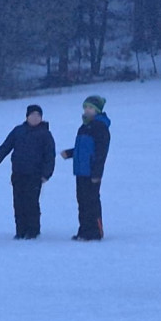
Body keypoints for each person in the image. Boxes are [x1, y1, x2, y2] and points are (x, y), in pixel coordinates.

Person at [0, 104, 56, 239]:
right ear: (27, 117)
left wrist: (46, 174)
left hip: (35, 175)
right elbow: (6, 146)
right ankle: (20, 230)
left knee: (31, 203)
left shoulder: (45, 134)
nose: (35, 118)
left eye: (38, 115)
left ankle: (33, 231)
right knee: (18, 203)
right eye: (32, 115)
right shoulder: (18, 131)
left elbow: (50, 156)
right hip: (18, 173)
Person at [60, 95, 112, 242]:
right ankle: (84, 231)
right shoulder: (83, 127)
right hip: (80, 171)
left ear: (97, 110)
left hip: (92, 172)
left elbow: (101, 152)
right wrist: (70, 153)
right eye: (85, 107)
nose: (87, 110)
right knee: (82, 202)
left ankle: (96, 231)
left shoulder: (100, 127)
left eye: (90, 108)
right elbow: (82, 149)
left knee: (92, 202)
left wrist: (97, 173)